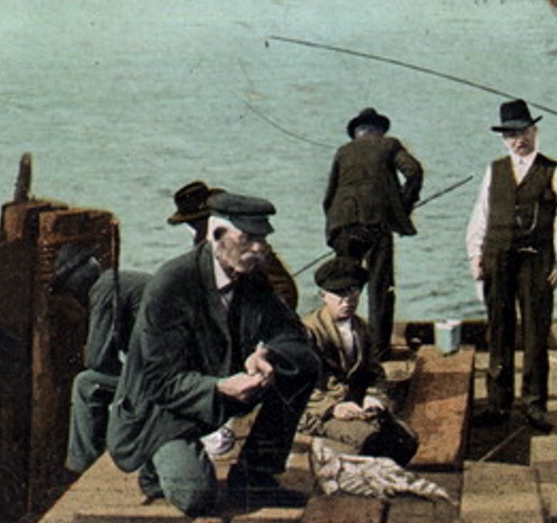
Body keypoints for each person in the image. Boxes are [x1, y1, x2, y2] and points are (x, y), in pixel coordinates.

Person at [107, 192, 321, 515]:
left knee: (302, 364)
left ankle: (255, 476)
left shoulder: (251, 277)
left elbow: (292, 334)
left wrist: (267, 354)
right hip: (161, 412)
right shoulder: (172, 283)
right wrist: (220, 387)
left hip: (218, 391)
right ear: (217, 235)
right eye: (248, 238)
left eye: (263, 238)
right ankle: (154, 465)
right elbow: (159, 383)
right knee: (196, 497)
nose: (260, 248)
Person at [466, 99, 557, 432]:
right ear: (504, 138)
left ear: (535, 131)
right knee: (498, 330)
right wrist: (475, 255)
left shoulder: (556, 172)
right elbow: (481, 214)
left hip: (537, 261)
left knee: (535, 332)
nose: (519, 140)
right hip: (497, 258)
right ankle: (498, 405)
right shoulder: (495, 170)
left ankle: (534, 405)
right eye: (512, 134)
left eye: (524, 132)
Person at [323, 108, 424, 359]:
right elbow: (414, 172)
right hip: (377, 225)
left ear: (356, 132)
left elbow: (329, 197)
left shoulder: (343, 151)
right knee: (380, 287)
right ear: (379, 130)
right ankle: (378, 351)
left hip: (342, 226)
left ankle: (344, 349)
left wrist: (338, 225)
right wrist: (401, 207)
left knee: (343, 286)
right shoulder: (389, 145)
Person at [299, 257, 419, 465]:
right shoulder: (308, 330)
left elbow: (375, 373)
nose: (347, 300)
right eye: (339, 293)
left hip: (357, 406)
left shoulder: (361, 328)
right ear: (323, 295)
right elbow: (298, 385)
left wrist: (374, 399)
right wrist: (333, 408)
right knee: (370, 440)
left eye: (353, 291)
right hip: (317, 411)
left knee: (407, 440)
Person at [54, 242, 154, 474]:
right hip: (174, 370)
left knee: (86, 383)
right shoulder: (121, 281)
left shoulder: (105, 287)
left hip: (166, 378)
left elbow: (97, 359)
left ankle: (82, 467)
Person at [170, 179, 299, 310]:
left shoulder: (252, 249)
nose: (194, 227)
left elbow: (284, 288)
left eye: (196, 222)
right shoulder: (200, 249)